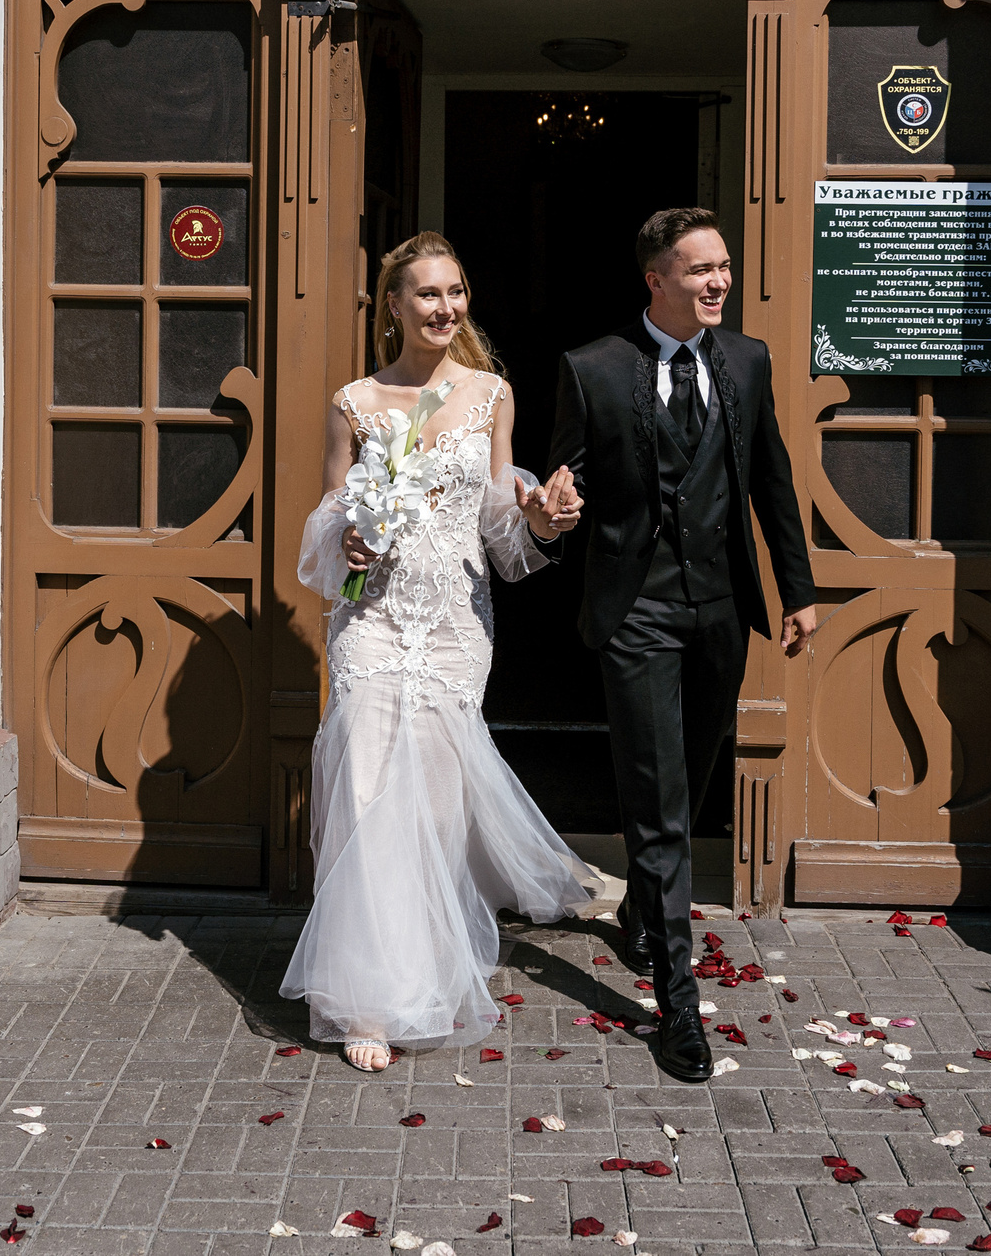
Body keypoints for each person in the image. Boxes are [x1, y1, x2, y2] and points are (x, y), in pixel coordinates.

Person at [281, 232, 594, 1072]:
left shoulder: (492, 393)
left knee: (438, 805)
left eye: (455, 291)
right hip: (374, 622)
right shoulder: (354, 401)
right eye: (427, 294)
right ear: (393, 304)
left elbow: (498, 518)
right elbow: (327, 513)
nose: (445, 307)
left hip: (456, 624)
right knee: (369, 791)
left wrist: (536, 518)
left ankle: (430, 968)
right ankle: (366, 999)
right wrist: (345, 538)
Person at [544, 207, 816, 1084]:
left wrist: (798, 591)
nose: (718, 282)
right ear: (655, 278)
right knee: (660, 805)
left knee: (690, 775)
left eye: (723, 267)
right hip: (637, 614)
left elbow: (770, 474)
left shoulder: (746, 360)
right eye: (699, 269)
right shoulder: (592, 368)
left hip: (722, 610)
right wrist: (550, 511)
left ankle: (639, 918)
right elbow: (564, 485)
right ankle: (679, 1007)